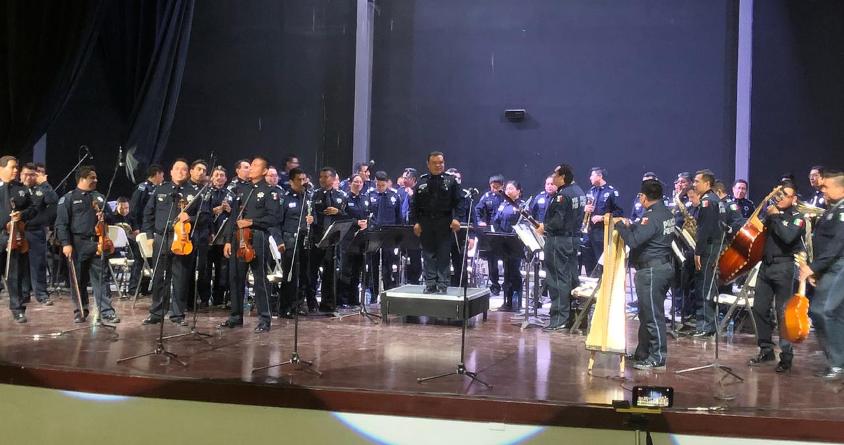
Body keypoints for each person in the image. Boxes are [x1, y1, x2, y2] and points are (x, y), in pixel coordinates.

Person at [615, 179, 675, 369]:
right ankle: (643, 352)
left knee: (652, 316)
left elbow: (633, 240)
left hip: (651, 272)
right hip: (661, 268)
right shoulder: (665, 213)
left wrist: (620, 226)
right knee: (646, 314)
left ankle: (658, 357)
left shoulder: (651, 216)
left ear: (643, 196)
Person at [747, 181, 804, 373]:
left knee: (783, 314)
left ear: (794, 198)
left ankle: (786, 357)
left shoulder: (797, 216)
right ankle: (766, 349)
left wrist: (777, 217)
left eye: (785, 195)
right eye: (778, 195)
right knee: (759, 308)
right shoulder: (770, 214)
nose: (780, 198)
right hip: (766, 266)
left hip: (785, 267)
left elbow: (788, 237)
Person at [221, 156, 281, 333]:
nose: (251, 168)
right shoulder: (241, 189)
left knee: (259, 279)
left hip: (257, 237)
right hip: (238, 237)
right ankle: (235, 316)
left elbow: (273, 218)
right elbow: (233, 217)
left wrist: (252, 222)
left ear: (263, 171)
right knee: (236, 278)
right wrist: (227, 240)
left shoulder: (271, 192)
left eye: (255, 165)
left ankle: (264, 319)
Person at [55, 165, 120, 323]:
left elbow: (112, 218)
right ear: (82, 179)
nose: (96, 180)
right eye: (92, 178)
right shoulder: (68, 198)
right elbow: (61, 224)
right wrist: (65, 243)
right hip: (78, 243)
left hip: (98, 242)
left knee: (101, 278)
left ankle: (106, 311)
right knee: (78, 279)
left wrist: (105, 215)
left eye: (96, 178)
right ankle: (80, 310)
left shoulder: (99, 197)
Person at [141, 159, 201, 326]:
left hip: (182, 239)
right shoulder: (161, 189)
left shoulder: (194, 192)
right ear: (171, 172)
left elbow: (204, 217)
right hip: (162, 238)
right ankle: (156, 313)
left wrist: (190, 217)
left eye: (184, 169)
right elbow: (148, 213)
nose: (180, 172)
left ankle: (177, 314)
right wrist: (149, 236)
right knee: (159, 277)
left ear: (188, 173)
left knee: (180, 278)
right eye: (177, 169)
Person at [799, 169, 844, 380]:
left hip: (839, 267)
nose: (821, 189)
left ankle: (837, 363)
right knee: (835, 314)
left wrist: (814, 267)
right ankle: (837, 361)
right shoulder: (832, 208)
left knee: (821, 310)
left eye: (826, 186)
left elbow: (837, 244)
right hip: (829, 267)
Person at [538, 164, 585, 331]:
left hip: (559, 240)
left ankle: (559, 318)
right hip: (573, 239)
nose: (553, 177)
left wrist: (545, 227)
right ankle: (574, 315)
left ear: (563, 177)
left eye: (556, 175)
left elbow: (557, 221)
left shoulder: (562, 195)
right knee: (572, 277)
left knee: (557, 278)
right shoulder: (579, 191)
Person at [410, 151, 462, 294]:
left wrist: (457, 218)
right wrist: (415, 222)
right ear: (428, 164)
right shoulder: (421, 182)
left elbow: (459, 203)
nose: (438, 165)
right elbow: (414, 205)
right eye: (435, 163)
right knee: (428, 254)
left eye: (441, 162)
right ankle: (430, 284)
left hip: (445, 222)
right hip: (425, 221)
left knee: (444, 254)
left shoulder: (451, 181)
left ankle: (442, 284)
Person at [0, 156, 37, 323]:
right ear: (1, 168)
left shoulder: (21, 189)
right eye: (13, 167)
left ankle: (18, 309)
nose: (16, 170)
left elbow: (33, 208)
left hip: (15, 235)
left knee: (15, 274)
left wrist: (21, 215)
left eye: (17, 167)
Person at [691, 169, 726, 337]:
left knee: (704, 286)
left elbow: (704, 229)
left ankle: (705, 325)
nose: (694, 184)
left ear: (707, 183)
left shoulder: (707, 201)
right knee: (707, 286)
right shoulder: (715, 199)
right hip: (715, 246)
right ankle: (707, 324)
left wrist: (698, 251)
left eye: (697, 181)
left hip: (709, 247)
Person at [309, 167, 349, 312]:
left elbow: (349, 217)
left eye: (326, 177)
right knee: (311, 273)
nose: (323, 179)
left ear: (333, 179)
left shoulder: (342, 196)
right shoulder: (313, 195)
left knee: (330, 272)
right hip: (316, 238)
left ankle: (328, 303)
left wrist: (338, 211)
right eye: (321, 176)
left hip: (333, 240)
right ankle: (311, 302)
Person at [277, 167, 314, 317]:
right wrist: (279, 241)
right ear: (291, 181)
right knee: (290, 275)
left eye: (304, 179)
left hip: (305, 240)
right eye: (299, 179)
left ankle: (298, 305)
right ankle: (285, 307)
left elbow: (314, 216)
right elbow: (278, 221)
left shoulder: (308, 196)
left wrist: (313, 219)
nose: (302, 182)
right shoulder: (285, 198)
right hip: (290, 240)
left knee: (304, 275)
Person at [20, 162, 58, 306]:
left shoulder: (41, 189)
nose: (29, 177)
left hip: (36, 231)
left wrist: (46, 184)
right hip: (19, 231)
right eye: (26, 174)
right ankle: (23, 294)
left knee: (38, 264)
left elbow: (53, 201)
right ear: (21, 175)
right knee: (21, 265)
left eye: (32, 175)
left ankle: (41, 295)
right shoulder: (17, 189)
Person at [367, 170, 402, 298]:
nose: (380, 187)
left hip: (389, 235)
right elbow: (366, 214)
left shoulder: (395, 196)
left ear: (387, 183)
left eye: (382, 185)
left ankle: (388, 292)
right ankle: (373, 293)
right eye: (378, 185)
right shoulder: (370, 195)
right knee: (373, 264)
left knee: (388, 264)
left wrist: (398, 236)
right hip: (374, 234)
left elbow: (399, 218)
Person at [582, 167, 623, 274]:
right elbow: (584, 211)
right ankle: (590, 285)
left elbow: (619, 212)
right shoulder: (590, 191)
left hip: (602, 233)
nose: (590, 178)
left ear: (599, 176)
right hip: (589, 233)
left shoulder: (611, 192)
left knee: (600, 262)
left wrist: (602, 217)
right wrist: (584, 208)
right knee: (588, 262)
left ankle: (601, 287)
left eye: (592, 175)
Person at [492, 180, 525, 312]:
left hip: (515, 243)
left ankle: (517, 301)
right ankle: (507, 301)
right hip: (503, 242)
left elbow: (522, 223)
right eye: (507, 189)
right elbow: (496, 221)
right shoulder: (503, 204)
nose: (508, 191)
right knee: (506, 272)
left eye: (511, 188)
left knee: (514, 272)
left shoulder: (521, 205)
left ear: (518, 191)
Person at [338, 173, 369, 308]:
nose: (358, 184)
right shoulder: (345, 198)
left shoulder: (364, 198)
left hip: (360, 239)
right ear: (350, 183)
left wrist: (367, 223)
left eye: (360, 182)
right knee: (346, 270)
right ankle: (342, 299)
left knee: (357, 270)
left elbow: (368, 215)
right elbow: (343, 217)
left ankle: (354, 299)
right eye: (355, 182)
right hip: (347, 238)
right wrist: (357, 222)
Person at [475, 174, 505, 295]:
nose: (494, 189)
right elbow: (477, 210)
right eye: (493, 187)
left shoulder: (506, 197)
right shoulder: (486, 197)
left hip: (504, 231)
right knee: (492, 259)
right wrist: (479, 221)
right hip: (491, 233)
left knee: (508, 259)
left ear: (502, 186)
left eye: (497, 187)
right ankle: (495, 284)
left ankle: (508, 284)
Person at [446, 168, 476, 288]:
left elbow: (472, 217)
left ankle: (461, 293)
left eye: (458, 178)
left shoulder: (465, 195)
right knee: (442, 266)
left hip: (461, 235)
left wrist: (472, 237)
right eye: (453, 178)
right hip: (444, 235)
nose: (456, 180)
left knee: (460, 266)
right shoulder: (441, 194)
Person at [206, 166, 231, 306]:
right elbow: (202, 212)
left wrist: (230, 209)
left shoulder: (230, 194)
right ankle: (204, 298)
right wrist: (214, 210)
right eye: (216, 175)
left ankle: (218, 298)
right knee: (206, 270)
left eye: (222, 175)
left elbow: (237, 215)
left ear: (226, 178)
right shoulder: (206, 193)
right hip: (209, 236)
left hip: (223, 238)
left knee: (223, 271)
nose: (219, 177)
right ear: (212, 177)